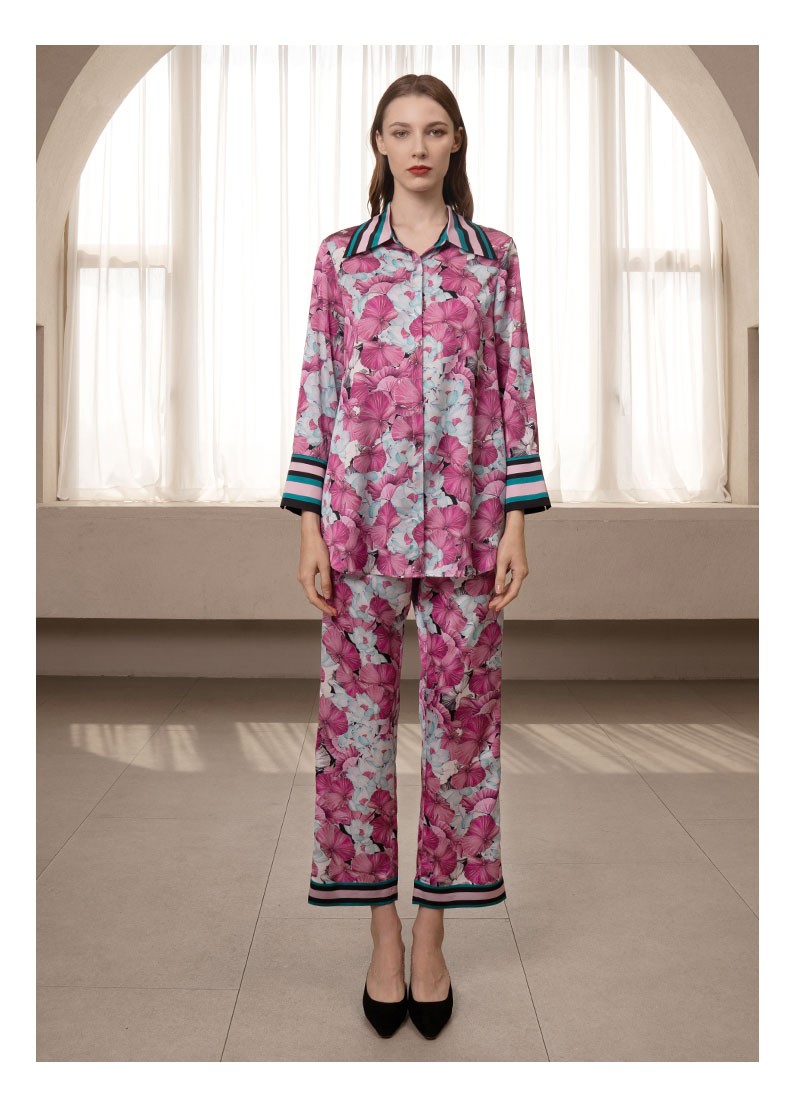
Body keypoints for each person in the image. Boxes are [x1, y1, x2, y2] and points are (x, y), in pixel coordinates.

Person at [280, 73, 551, 1039]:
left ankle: (433, 934)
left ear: (456, 141)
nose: (420, 146)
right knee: (353, 738)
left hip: (471, 525)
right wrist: (307, 523)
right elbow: (318, 383)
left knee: (461, 733)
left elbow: (514, 387)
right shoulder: (340, 259)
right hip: (357, 524)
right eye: (401, 131)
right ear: (380, 145)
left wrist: (518, 519)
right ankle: (381, 934)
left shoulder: (494, 258)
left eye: (435, 130)